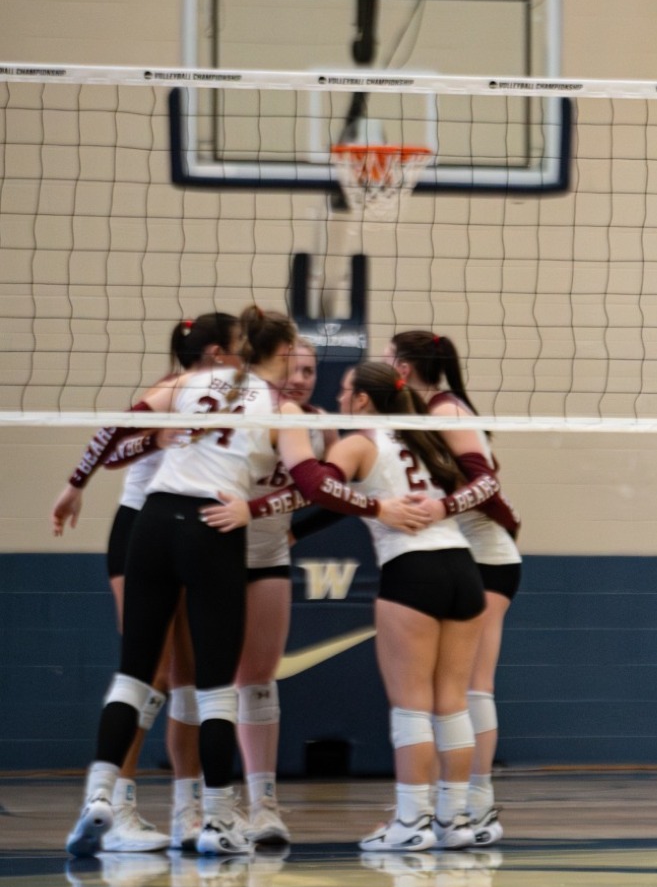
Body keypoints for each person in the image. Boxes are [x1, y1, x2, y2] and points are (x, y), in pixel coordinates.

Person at [68, 307, 431, 857]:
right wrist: (376, 506)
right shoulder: (276, 408)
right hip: (213, 530)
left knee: (139, 674)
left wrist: (73, 485)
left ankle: (104, 795)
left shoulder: (189, 383)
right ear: (281, 352)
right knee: (209, 685)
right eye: (298, 359)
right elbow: (315, 484)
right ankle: (209, 816)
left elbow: (111, 433)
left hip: (164, 524)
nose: (305, 375)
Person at [231, 362, 498, 850]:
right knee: (452, 704)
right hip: (462, 567)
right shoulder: (430, 436)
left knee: (412, 706)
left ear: (364, 401)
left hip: (411, 570)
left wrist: (371, 503)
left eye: (346, 391)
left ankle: (411, 824)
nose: (338, 396)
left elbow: (316, 486)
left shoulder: (360, 441)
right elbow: (482, 481)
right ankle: (454, 821)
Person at [51, 314, 236, 852]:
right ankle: (113, 803)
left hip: (182, 531)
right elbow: (112, 442)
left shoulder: (230, 398)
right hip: (143, 528)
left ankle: (185, 809)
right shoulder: (173, 391)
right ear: (219, 352)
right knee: (150, 671)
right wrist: (76, 485)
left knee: (184, 676)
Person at [391, 330, 524, 847]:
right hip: (465, 557)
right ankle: (454, 804)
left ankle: (477, 804)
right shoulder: (427, 412)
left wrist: (441, 509)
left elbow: (486, 483)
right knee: (454, 689)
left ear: (403, 367)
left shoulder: (447, 412)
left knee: (472, 685)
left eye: (388, 359)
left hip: (487, 559)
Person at [232, 337, 337, 845]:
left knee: (258, 678)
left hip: (269, 557)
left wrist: (296, 531)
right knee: (201, 679)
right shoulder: (240, 410)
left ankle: (264, 803)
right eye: (292, 369)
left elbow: (342, 491)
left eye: (310, 371)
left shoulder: (320, 425)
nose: (300, 379)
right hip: (214, 554)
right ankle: (206, 802)